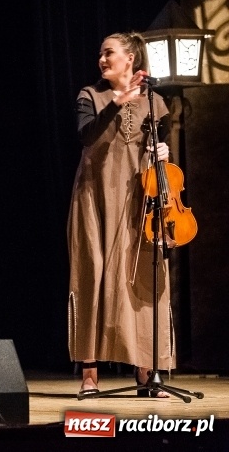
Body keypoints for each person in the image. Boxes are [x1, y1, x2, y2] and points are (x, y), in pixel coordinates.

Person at [67, 31, 175, 398]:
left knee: (142, 278)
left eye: (108, 53)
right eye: (100, 54)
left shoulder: (157, 103)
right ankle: (90, 374)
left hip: (138, 202)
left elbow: (164, 156)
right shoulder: (90, 96)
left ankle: (147, 371)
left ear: (130, 59)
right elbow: (87, 136)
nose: (102, 59)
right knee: (91, 276)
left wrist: (163, 151)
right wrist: (116, 102)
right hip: (95, 199)